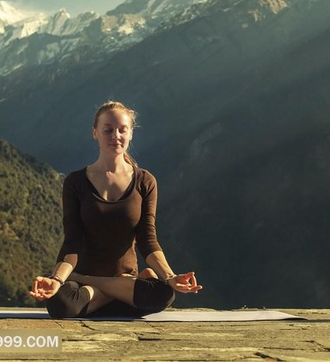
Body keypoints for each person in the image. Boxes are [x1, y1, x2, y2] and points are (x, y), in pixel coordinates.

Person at [30, 100, 202, 318]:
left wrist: (169, 277)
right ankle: (120, 292)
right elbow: (72, 242)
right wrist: (57, 280)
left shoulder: (144, 181)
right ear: (95, 133)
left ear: (131, 134)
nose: (116, 136)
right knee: (60, 304)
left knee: (164, 294)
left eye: (122, 130)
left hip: (99, 281)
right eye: (108, 130)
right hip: (114, 286)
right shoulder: (76, 182)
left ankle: (100, 290)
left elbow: (147, 239)